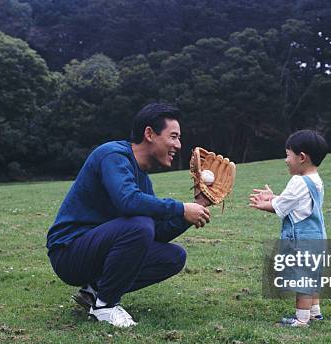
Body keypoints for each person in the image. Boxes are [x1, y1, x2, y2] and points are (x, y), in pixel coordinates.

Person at [46, 103, 211, 328]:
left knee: (173, 257)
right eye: (173, 136)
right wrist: (181, 208)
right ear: (149, 134)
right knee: (140, 223)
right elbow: (128, 201)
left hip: (98, 250)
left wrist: (195, 208)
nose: (178, 145)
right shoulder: (112, 155)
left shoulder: (143, 178)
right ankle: (105, 306)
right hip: (69, 252)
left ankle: (94, 291)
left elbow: (155, 233)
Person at [249, 129, 328, 327]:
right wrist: (274, 196)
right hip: (317, 238)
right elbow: (294, 203)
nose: (285, 160)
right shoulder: (316, 180)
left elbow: (281, 208)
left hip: (302, 241)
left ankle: (301, 320)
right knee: (312, 276)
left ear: (302, 157)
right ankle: (315, 313)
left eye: (288, 155)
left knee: (303, 280)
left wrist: (264, 203)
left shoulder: (298, 181)